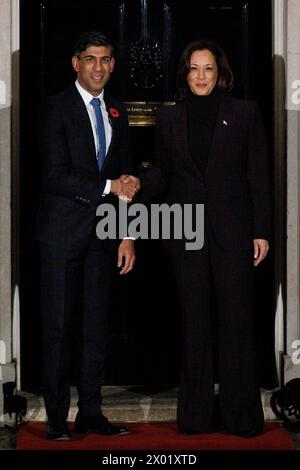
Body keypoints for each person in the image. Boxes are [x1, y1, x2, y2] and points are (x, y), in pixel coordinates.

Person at [139, 39, 271, 437]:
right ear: (185, 73)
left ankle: (241, 417)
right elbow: (163, 173)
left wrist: (262, 231)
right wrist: (134, 184)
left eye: (208, 69)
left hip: (234, 232)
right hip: (186, 233)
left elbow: (258, 176)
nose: (201, 76)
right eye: (194, 69)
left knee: (236, 324)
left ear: (221, 73)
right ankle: (195, 418)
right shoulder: (168, 118)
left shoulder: (244, 113)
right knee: (195, 324)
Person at [35, 31, 140, 440]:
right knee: (59, 330)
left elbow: (128, 175)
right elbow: (56, 174)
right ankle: (58, 419)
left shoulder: (117, 109)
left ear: (113, 65)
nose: (99, 67)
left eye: (106, 60)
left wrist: (128, 236)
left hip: (104, 237)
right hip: (61, 235)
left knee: (96, 328)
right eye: (91, 59)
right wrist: (108, 187)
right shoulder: (55, 108)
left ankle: (92, 414)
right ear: (76, 63)